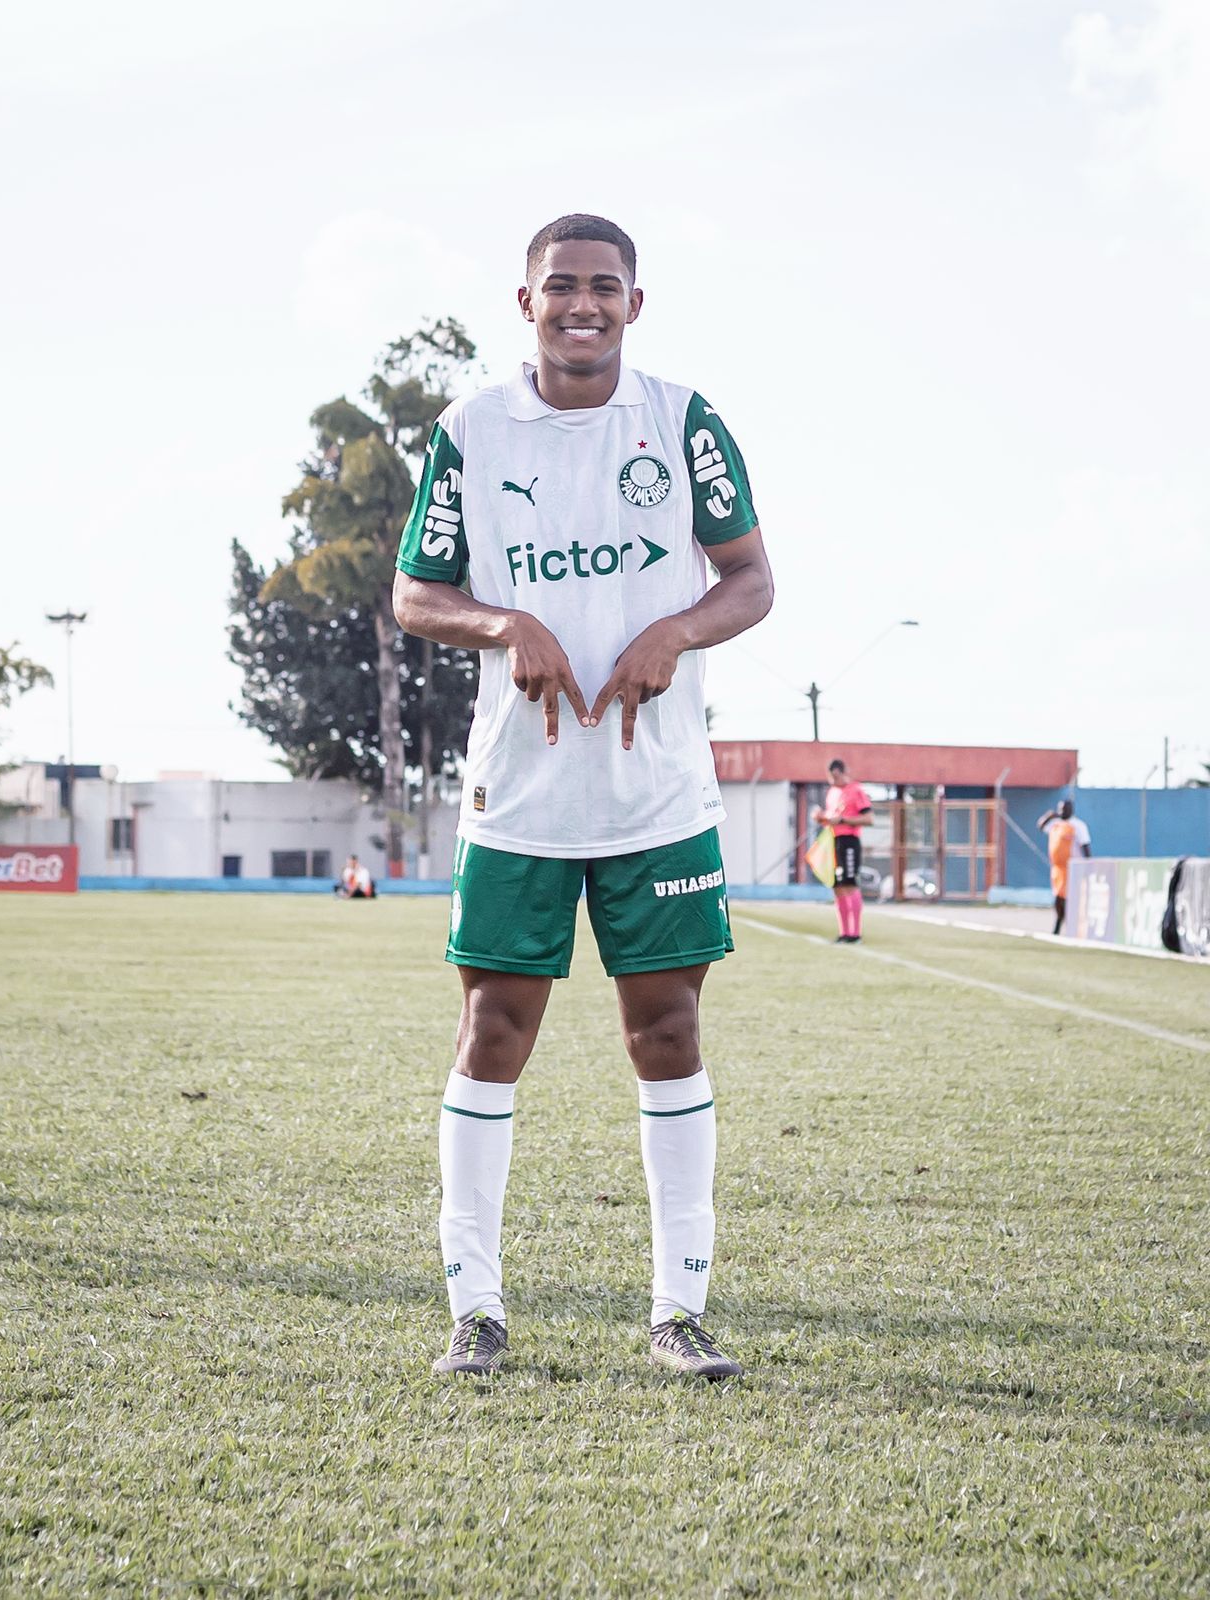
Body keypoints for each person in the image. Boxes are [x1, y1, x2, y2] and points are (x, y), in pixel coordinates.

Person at [393, 213, 774, 1381]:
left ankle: (677, 1310)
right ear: (525, 304)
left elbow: (751, 579)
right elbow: (417, 593)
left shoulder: (681, 420)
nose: (582, 305)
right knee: (492, 1033)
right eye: (560, 286)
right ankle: (476, 1310)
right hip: (521, 792)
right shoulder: (468, 429)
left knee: (666, 1034)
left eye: (604, 287)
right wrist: (503, 622)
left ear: (633, 305)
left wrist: (677, 627)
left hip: (657, 794)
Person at [814, 759, 873, 942]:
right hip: (834, 840)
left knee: (849, 884)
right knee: (838, 887)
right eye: (831, 776)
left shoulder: (856, 790)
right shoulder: (832, 793)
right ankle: (844, 933)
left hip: (849, 841)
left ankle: (856, 933)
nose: (834, 779)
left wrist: (843, 820)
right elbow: (832, 817)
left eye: (836, 775)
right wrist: (822, 818)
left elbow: (868, 818)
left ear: (843, 772)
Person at [1037, 798, 1091, 935]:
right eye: (1060, 809)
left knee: (1068, 899)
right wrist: (1051, 815)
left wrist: (1088, 866)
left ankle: (1069, 927)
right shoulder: (1056, 824)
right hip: (1057, 869)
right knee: (1058, 898)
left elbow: (1086, 847)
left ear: (1071, 809)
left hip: (1072, 868)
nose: (1062, 811)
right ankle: (1059, 925)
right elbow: (1041, 825)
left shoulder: (1078, 826)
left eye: (1065, 808)